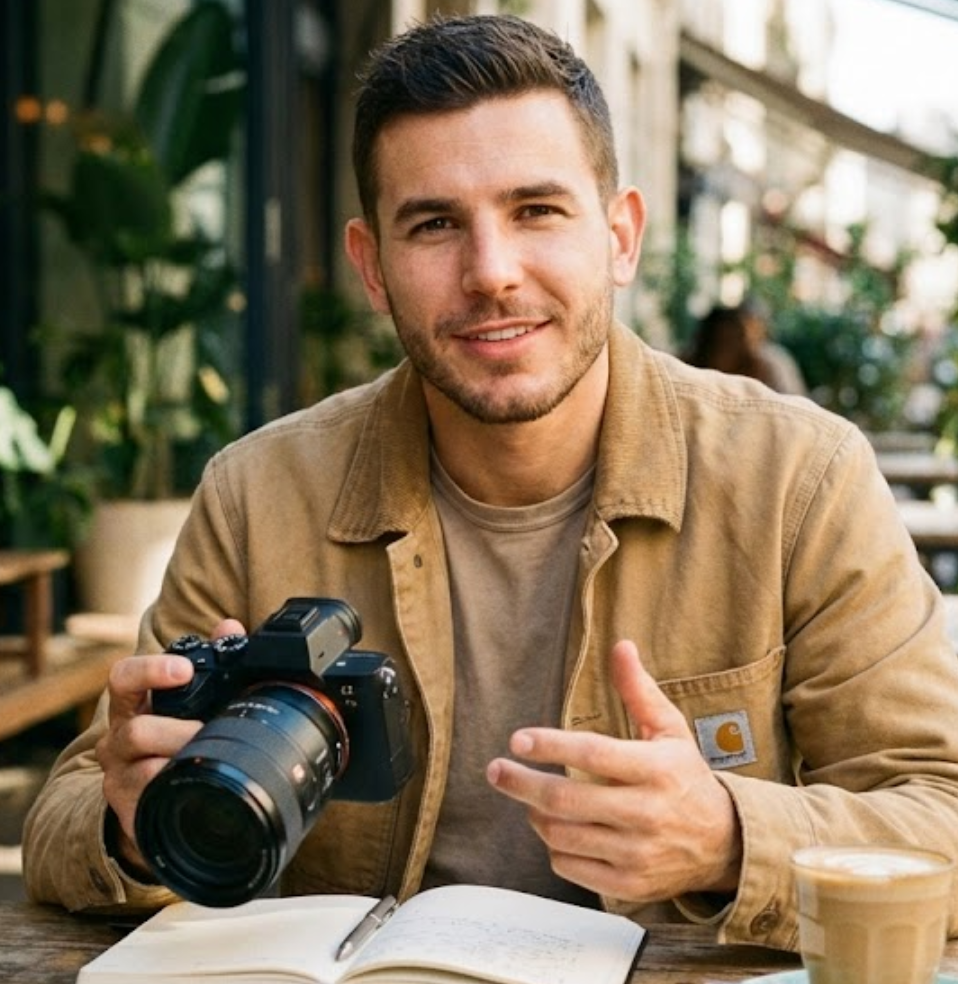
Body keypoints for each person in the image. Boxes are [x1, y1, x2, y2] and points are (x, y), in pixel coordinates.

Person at [22, 13, 958, 952]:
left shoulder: (798, 477)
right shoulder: (259, 494)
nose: (491, 273)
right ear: (372, 267)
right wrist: (133, 827)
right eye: (433, 224)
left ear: (621, 237)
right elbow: (66, 811)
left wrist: (726, 837)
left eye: (536, 211)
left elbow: (941, 808)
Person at [686, 302, 808, 395]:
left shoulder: (769, 365)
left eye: (731, 341)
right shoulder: (688, 365)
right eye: (719, 341)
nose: (725, 351)